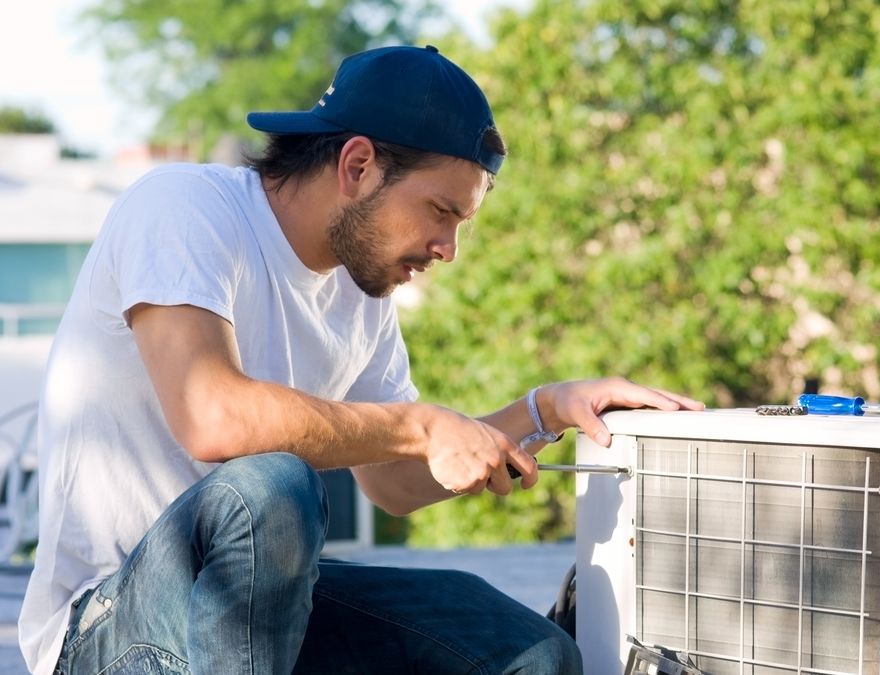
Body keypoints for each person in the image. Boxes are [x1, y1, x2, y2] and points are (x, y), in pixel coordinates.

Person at [19, 44, 703, 675]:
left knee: (526, 649)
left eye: (460, 223)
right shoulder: (183, 207)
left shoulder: (360, 293)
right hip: (106, 630)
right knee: (270, 491)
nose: (448, 248)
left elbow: (394, 482)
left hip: (265, 620)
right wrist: (421, 425)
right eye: (439, 210)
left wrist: (544, 408)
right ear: (356, 166)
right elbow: (211, 416)